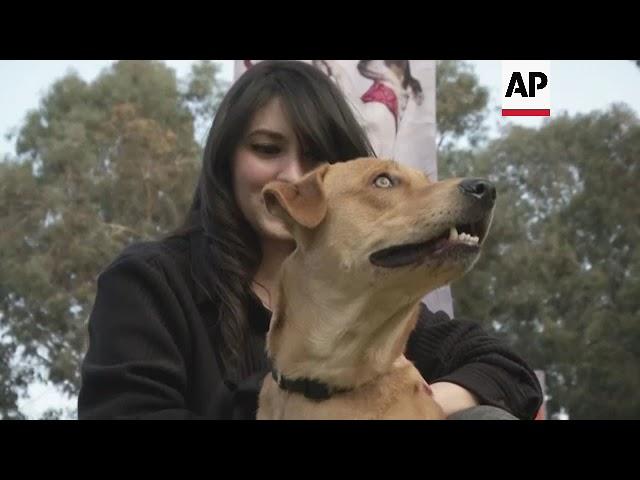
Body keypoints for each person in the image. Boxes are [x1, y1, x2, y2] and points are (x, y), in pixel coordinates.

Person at [78, 60, 542, 420]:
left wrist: (425, 401)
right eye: (266, 149)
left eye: (317, 158)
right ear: (225, 161)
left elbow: (507, 370)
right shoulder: (150, 283)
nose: (293, 175)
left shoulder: (379, 297)